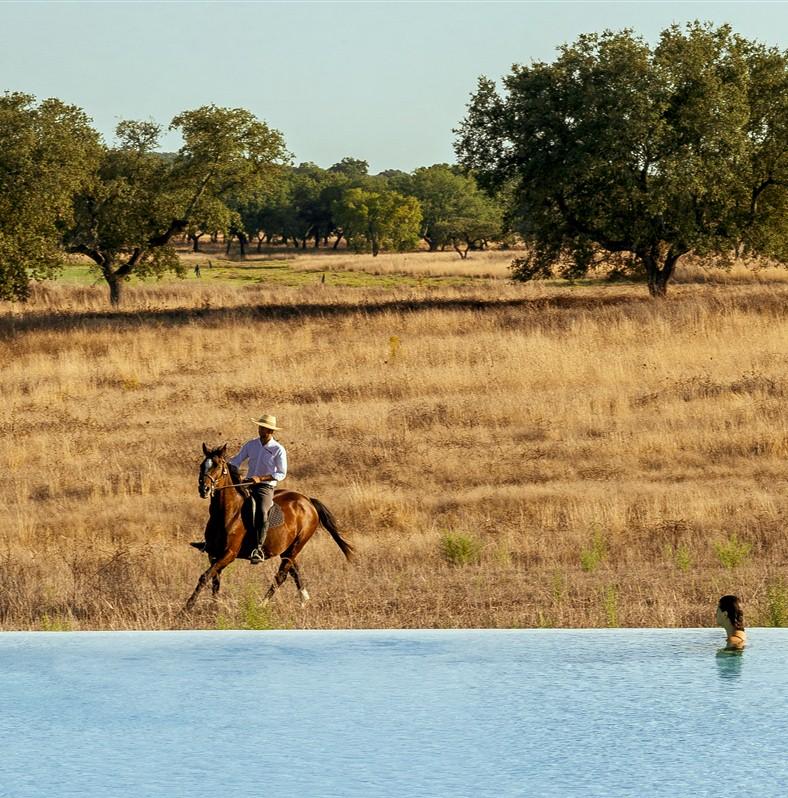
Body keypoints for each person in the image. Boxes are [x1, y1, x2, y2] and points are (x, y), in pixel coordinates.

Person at [228, 414, 287, 564]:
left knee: (261, 511)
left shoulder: (278, 449)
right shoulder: (251, 445)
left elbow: (281, 473)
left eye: (263, 427)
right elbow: (236, 460)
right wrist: (229, 468)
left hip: (265, 487)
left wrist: (260, 478)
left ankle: (258, 548)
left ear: (270, 431)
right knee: (227, 504)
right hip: (247, 483)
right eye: (260, 426)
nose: (260, 429)